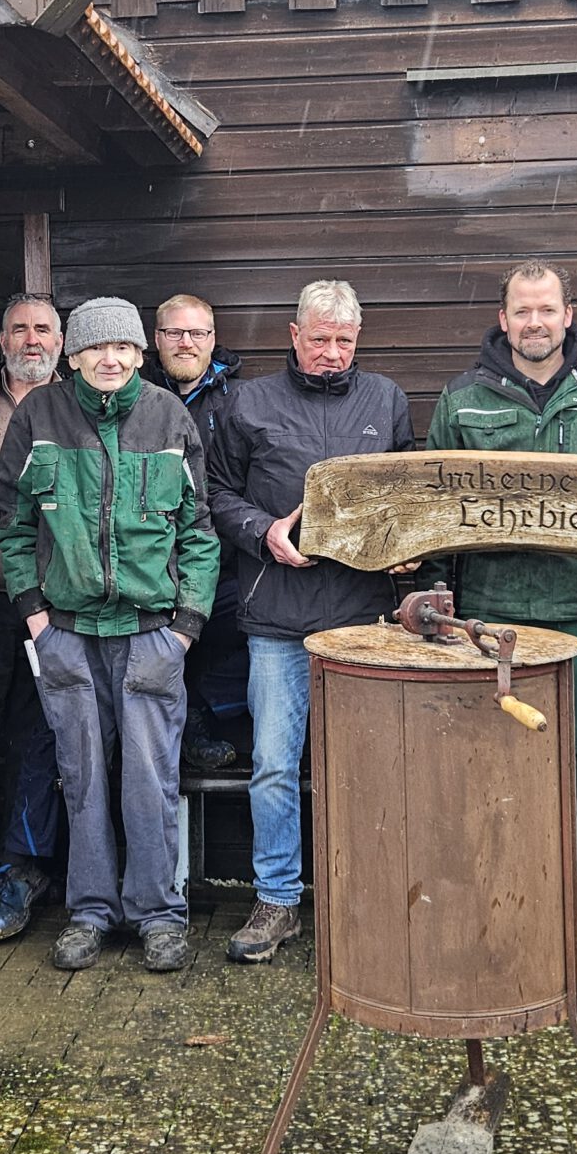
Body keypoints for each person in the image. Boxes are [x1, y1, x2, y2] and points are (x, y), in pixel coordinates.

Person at [424, 262, 577, 979]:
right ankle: (498, 915)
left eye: (546, 309)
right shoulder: (463, 399)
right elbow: (435, 510)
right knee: (489, 771)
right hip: (491, 619)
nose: (533, 322)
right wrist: (437, 598)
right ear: (503, 320)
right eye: (520, 311)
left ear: (568, 314)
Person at [0, 296, 220, 973]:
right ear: (73, 356)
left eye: (122, 347)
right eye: (96, 348)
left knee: (149, 780)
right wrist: (37, 616)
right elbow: (13, 528)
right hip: (68, 633)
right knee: (81, 776)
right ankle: (90, 911)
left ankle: (158, 915)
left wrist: (185, 626)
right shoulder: (39, 417)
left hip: (152, 633)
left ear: (139, 353)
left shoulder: (167, 415)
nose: (110, 358)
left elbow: (199, 532)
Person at [206, 279, 415, 963]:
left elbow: (410, 495)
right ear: (293, 336)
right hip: (278, 619)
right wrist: (262, 530)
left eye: (344, 340)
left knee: (362, 767)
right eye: (319, 338)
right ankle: (276, 900)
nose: (331, 352)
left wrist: (410, 555)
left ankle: (363, 899)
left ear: (360, 339)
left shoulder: (385, 399)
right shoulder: (249, 403)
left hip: (364, 618)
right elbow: (215, 493)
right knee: (271, 765)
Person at [0, 294, 69, 942]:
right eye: (20, 328)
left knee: (40, 737)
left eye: (42, 328)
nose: (31, 338)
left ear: (61, 340)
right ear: (2, 338)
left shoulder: (83, 404)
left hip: (58, 603)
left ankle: (22, 866)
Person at [152, 292, 245, 771]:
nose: (186, 342)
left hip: (222, 559)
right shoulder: (134, 392)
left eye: (197, 333)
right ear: (157, 338)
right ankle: (184, 733)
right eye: (174, 333)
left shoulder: (239, 399)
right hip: (148, 564)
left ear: (213, 340)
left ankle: (200, 719)